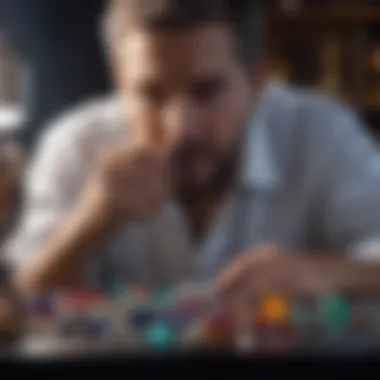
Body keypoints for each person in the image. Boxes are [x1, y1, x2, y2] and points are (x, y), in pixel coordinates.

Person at [5, 0, 380, 300]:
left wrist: (321, 273)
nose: (180, 127)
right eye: (152, 94)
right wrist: (91, 222)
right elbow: (15, 302)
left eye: (207, 92)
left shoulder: (320, 133)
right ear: (120, 82)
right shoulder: (74, 144)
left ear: (257, 81)